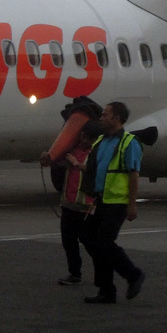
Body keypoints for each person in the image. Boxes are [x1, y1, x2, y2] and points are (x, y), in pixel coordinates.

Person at [78, 101, 146, 304]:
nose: (102, 118)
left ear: (117, 118)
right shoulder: (100, 141)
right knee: (88, 237)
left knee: (104, 243)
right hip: (101, 200)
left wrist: (132, 205)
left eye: (106, 115)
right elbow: (95, 169)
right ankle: (107, 289)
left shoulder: (128, 142)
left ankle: (132, 275)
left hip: (117, 202)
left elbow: (133, 175)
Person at [54, 122, 98, 285]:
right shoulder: (73, 149)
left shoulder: (95, 152)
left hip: (87, 205)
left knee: (88, 241)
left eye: (87, 137)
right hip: (69, 203)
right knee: (68, 241)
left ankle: (102, 269)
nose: (83, 139)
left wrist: (76, 164)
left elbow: (96, 171)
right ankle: (74, 273)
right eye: (82, 135)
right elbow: (58, 161)